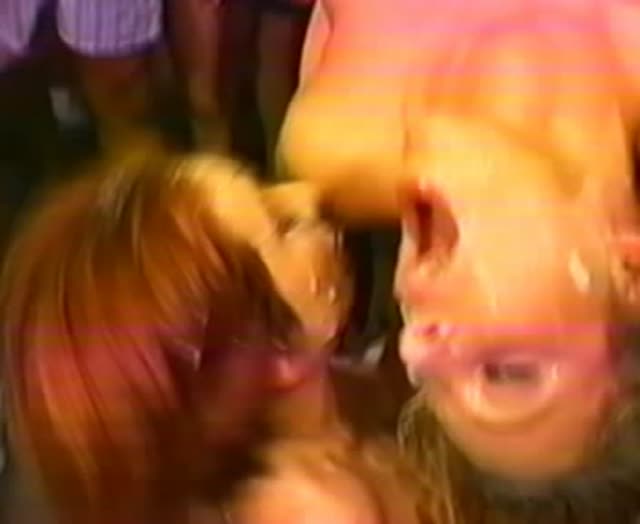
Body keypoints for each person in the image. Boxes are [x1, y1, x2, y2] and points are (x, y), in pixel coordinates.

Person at [0, 146, 418, 524]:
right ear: (273, 353)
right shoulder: (321, 513)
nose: (307, 196)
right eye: (283, 226)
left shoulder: (345, 399)